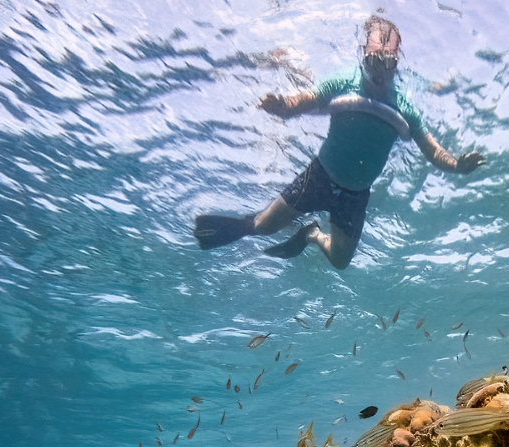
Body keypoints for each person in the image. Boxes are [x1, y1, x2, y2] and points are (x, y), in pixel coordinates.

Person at [193, 15, 485, 269]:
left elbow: (431, 149)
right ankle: (234, 228)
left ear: (397, 63)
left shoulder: (404, 108)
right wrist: (284, 106)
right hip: (320, 176)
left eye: (388, 63)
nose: (380, 71)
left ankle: (311, 234)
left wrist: (457, 165)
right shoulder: (342, 82)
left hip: (355, 196)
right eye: (374, 60)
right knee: (261, 227)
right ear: (363, 56)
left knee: (340, 261)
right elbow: (305, 101)